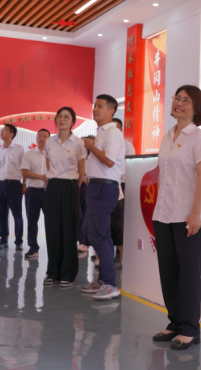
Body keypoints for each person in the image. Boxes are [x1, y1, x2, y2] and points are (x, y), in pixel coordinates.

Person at [152, 85, 201, 351]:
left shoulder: (199, 137)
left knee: (189, 275)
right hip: (163, 214)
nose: (179, 103)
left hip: (188, 215)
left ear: (197, 108)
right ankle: (175, 322)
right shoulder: (167, 136)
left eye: (186, 100)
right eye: (177, 98)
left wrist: (196, 213)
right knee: (169, 273)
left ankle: (190, 328)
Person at [80, 95, 124, 300]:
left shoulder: (113, 133)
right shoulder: (101, 132)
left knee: (99, 234)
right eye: (94, 106)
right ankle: (104, 280)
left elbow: (109, 161)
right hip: (96, 186)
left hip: (105, 187)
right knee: (98, 233)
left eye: (100, 106)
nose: (95, 109)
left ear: (111, 111)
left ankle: (110, 284)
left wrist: (90, 146)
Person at [43, 107, 87, 287]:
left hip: (70, 187)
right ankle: (52, 271)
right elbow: (48, 166)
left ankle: (68, 273)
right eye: (59, 116)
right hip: (53, 186)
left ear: (72, 122)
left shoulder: (78, 143)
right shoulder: (49, 142)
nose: (62, 119)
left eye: (66, 117)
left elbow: (81, 169)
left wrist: (74, 188)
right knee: (52, 230)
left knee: (69, 230)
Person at [0, 124, 25, 251]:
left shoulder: (19, 149)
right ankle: (3, 241)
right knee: (2, 214)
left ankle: (19, 241)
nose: (1, 131)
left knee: (17, 214)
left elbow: (25, 168)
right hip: (1, 185)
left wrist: (24, 184)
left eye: (5, 130)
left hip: (15, 184)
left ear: (11, 134)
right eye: (1, 130)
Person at [21, 128, 51, 259]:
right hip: (33, 192)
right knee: (32, 221)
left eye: (45, 136)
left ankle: (53, 248)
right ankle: (33, 248)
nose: (42, 138)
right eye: (40, 136)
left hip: (49, 193)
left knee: (51, 222)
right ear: (36, 139)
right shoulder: (29, 154)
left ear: (49, 139)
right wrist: (42, 177)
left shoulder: (53, 154)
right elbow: (24, 172)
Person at [109, 117, 134, 265]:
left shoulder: (128, 145)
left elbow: (130, 165)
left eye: (116, 127)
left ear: (121, 129)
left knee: (121, 220)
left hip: (123, 184)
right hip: (110, 183)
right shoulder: (105, 143)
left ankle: (121, 254)